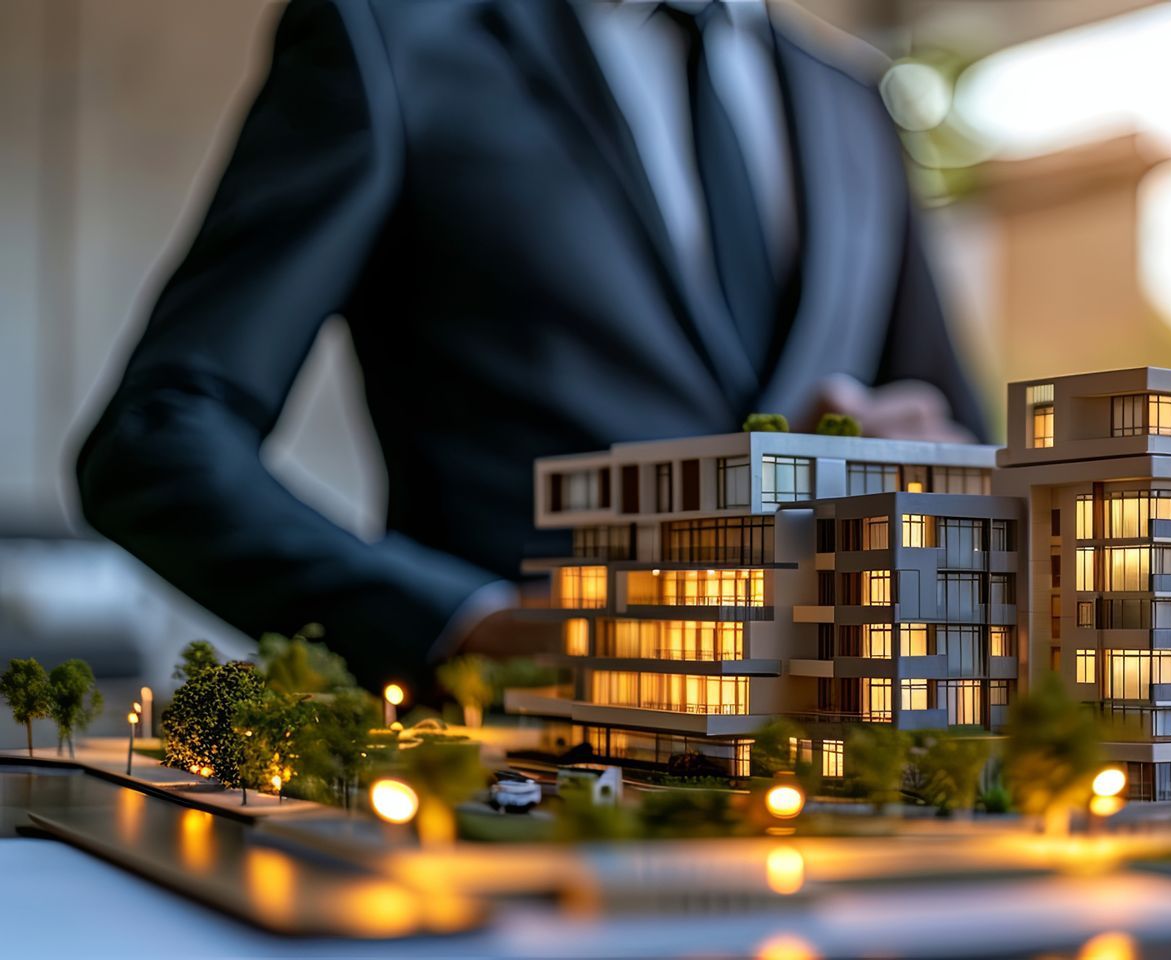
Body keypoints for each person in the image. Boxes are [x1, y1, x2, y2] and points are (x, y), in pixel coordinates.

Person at [75, 0, 982, 691]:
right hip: (506, 776)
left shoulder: (852, 102)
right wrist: (470, 627)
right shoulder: (394, 40)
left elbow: (956, 437)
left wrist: (941, 476)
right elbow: (157, 440)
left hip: (839, 770)